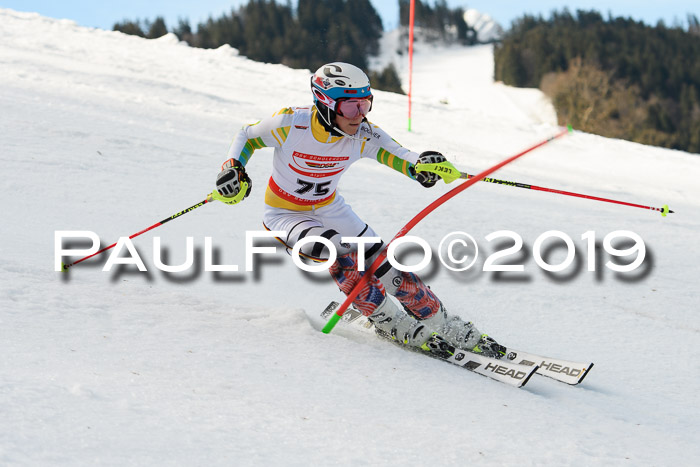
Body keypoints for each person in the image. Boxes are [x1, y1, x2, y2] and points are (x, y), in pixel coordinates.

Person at [214, 62, 506, 358]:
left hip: (330, 209)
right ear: (326, 103)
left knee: (385, 265)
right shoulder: (291, 124)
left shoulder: (363, 134)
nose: (361, 115)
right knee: (340, 252)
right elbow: (247, 136)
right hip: (285, 216)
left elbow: (403, 157)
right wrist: (232, 168)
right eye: (352, 107)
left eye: (366, 104)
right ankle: (391, 321)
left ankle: (443, 323)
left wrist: (424, 166)